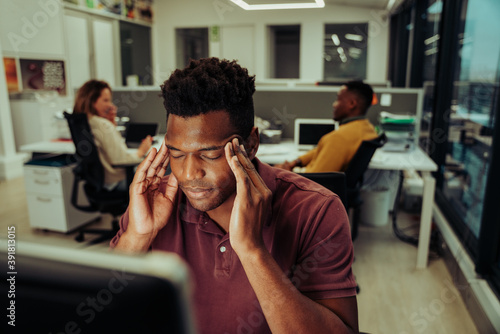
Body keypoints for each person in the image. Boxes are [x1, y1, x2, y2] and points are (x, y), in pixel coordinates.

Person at [110, 58, 358, 333]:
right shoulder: (153, 202)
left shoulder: (317, 210)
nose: (189, 174)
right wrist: (138, 236)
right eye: (176, 154)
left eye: (211, 154)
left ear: (251, 144)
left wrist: (253, 252)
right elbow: (103, 311)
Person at [275, 80, 378, 173]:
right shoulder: (368, 129)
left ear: (352, 104)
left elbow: (315, 181)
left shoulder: (338, 138)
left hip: (312, 189)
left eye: (338, 99)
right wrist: (297, 162)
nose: (334, 104)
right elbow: (321, 149)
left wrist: (287, 173)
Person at [73, 80, 153, 190]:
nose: (110, 105)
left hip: (97, 182)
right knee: (162, 170)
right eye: (105, 100)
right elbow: (119, 159)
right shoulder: (102, 124)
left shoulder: (84, 121)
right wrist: (141, 152)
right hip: (115, 182)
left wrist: (111, 124)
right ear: (91, 101)